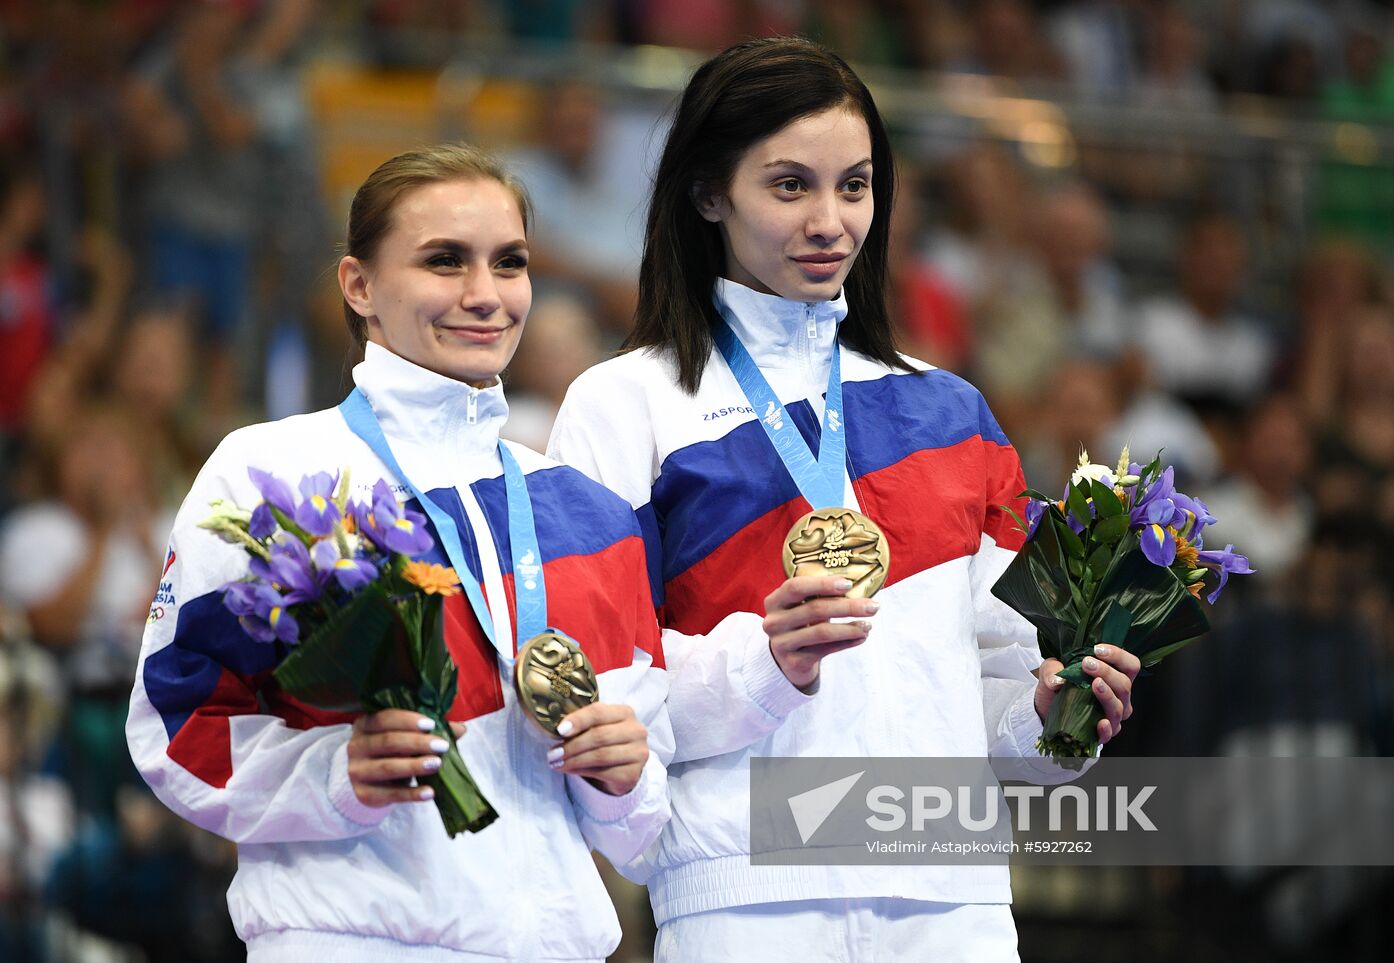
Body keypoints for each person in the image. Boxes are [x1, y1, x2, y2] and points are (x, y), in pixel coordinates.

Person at [548, 37, 1140, 961]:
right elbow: (595, 682)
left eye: (855, 186)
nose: (830, 220)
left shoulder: (954, 413)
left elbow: (993, 690)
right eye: (790, 185)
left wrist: (1057, 713)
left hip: (955, 902)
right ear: (709, 193)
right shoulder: (625, 405)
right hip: (744, 892)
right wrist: (765, 661)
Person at [126, 143, 672, 962]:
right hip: (350, 940)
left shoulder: (588, 514)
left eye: (509, 262)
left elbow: (637, 824)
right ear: (360, 285)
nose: (484, 295)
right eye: (444, 261)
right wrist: (332, 775)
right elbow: (176, 724)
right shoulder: (273, 475)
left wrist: (628, 776)